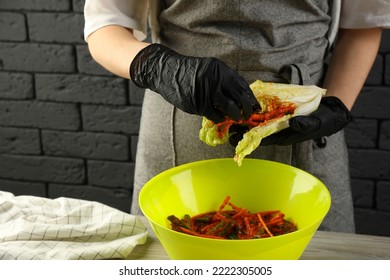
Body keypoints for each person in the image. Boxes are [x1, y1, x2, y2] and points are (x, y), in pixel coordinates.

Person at [84, 0, 390, 233]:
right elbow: (105, 27)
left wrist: (336, 104)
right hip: (180, 124)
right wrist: (160, 68)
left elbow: (361, 27)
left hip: (308, 128)